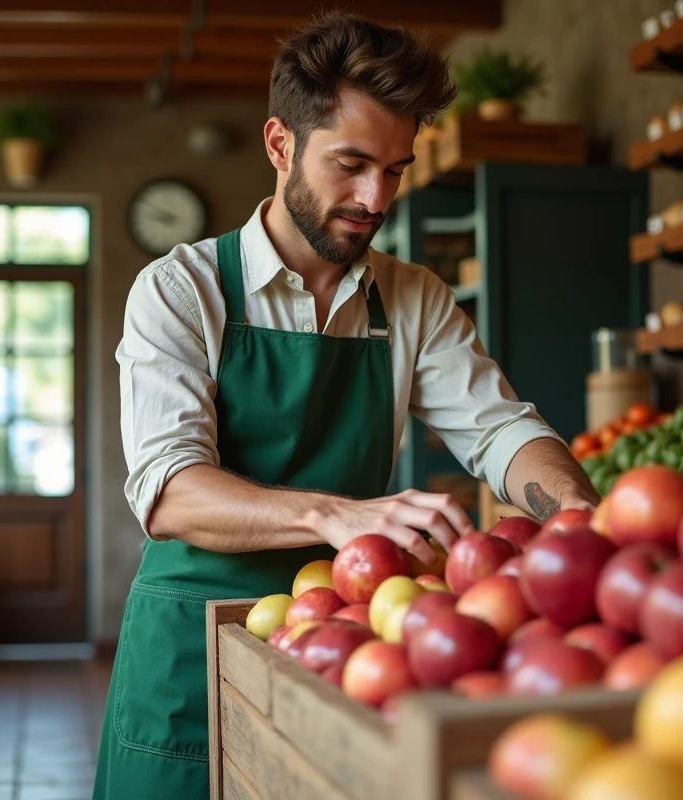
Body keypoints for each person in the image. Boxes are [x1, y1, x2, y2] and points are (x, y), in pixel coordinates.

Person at [92, 11, 599, 798]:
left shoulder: (412, 298)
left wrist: (575, 514)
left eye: (394, 170)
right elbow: (169, 491)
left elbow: (500, 430)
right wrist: (337, 517)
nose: (374, 198)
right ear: (279, 145)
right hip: (188, 651)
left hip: (349, 640)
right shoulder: (181, 289)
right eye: (352, 164)